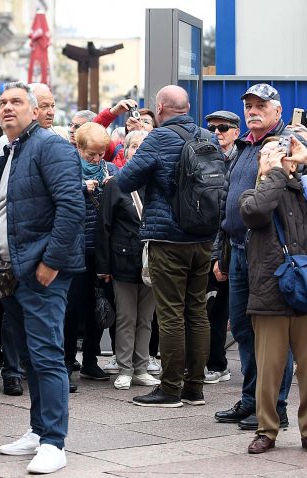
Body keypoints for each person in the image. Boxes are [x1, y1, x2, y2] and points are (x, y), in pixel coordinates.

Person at [0, 82, 84, 474]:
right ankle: (37, 429)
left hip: (41, 271)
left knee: (47, 356)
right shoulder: (12, 149)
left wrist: (52, 262)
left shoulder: (50, 145)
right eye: (3, 103)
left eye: (17, 102)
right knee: (31, 355)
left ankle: (53, 442)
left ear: (34, 110)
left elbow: (72, 205)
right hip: (13, 271)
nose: (8, 108)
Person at [239, 136, 307, 454]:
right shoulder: (252, 194)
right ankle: (267, 430)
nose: (277, 156)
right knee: (269, 371)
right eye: (269, 152)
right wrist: (272, 173)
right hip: (270, 296)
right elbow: (257, 211)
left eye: (282, 151)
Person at [115, 85, 213, 408]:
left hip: (168, 238)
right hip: (202, 239)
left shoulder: (158, 138)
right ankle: (195, 387)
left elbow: (125, 180)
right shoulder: (206, 137)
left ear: (159, 108)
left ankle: (170, 388)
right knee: (196, 311)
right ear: (186, 108)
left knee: (170, 314)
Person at [212, 84, 294, 430]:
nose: (252, 110)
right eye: (248, 105)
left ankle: (276, 406)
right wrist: (220, 251)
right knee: (244, 331)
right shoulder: (245, 146)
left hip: (269, 252)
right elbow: (227, 201)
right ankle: (251, 400)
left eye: (261, 105)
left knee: (273, 333)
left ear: (278, 111)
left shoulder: (287, 142)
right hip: (238, 250)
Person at [96, 130, 159, 390]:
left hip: (152, 262)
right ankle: (124, 367)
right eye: (134, 146)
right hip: (122, 261)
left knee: (146, 318)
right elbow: (104, 227)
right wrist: (103, 267)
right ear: (126, 150)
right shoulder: (116, 183)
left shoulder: (159, 182)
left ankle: (141, 367)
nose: (139, 150)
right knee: (125, 317)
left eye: (144, 146)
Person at [64, 122, 118, 385]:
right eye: (91, 154)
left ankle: (91, 360)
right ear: (79, 148)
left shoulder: (111, 169)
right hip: (74, 248)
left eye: (100, 154)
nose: (97, 159)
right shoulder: (67, 169)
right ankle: (66, 361)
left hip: (101, 250)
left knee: (99, 306)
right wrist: (81, 188)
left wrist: (114, 187)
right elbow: (58, 196)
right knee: (72, 307)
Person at [203, 110, 241, 385]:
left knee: (222, 311)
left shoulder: (242, 158)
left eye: (223, 127)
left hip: (228, 245)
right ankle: (207, 362)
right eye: (213, 127)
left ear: (236, 132)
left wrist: (220, 256)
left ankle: (217, 364)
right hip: (202, 241)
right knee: (203, 309)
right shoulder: (204, 158)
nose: (217, 132)